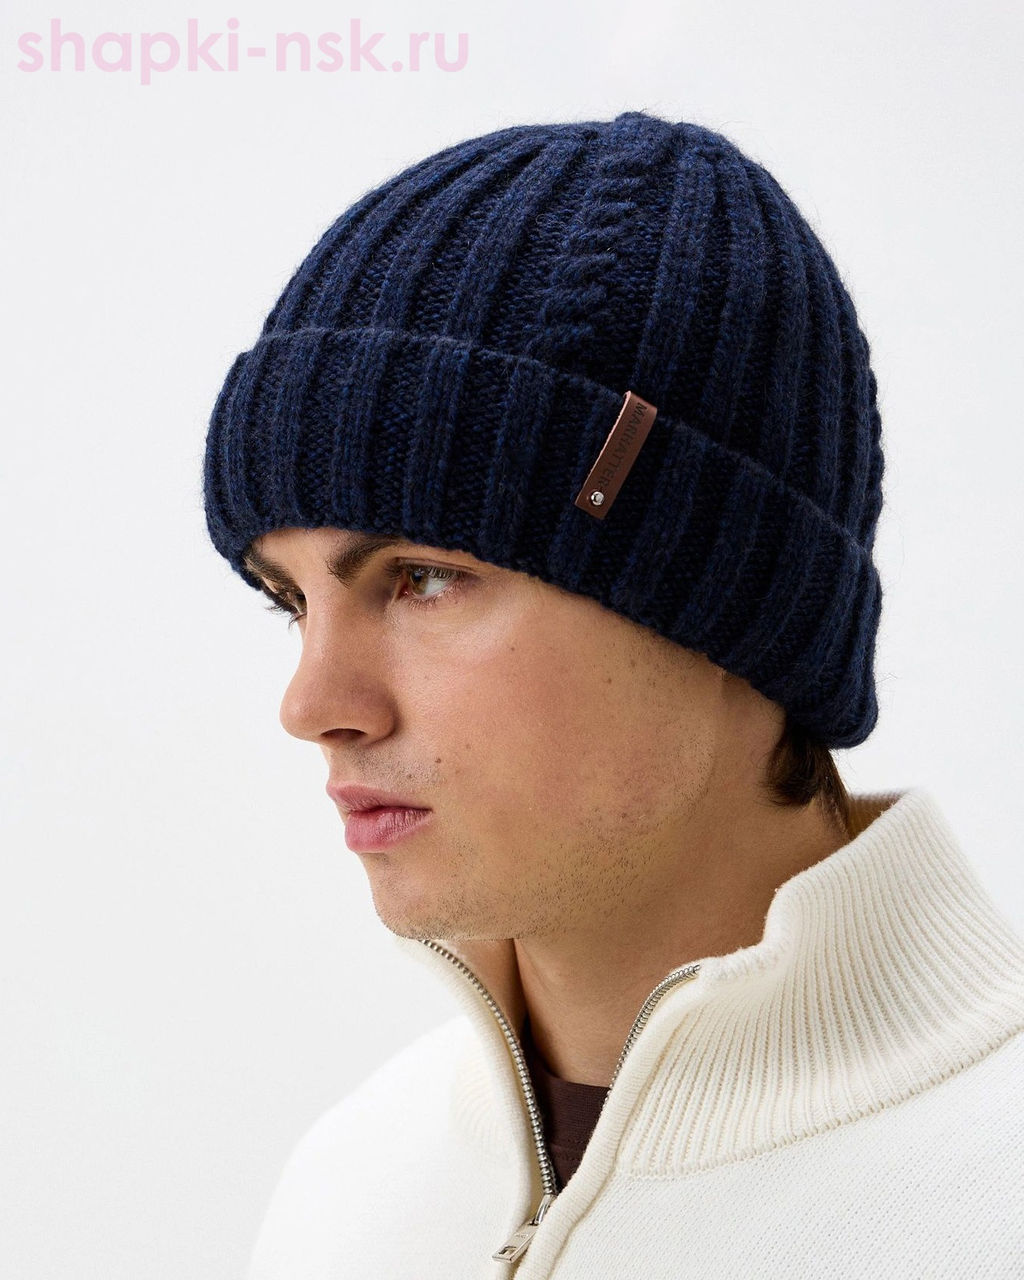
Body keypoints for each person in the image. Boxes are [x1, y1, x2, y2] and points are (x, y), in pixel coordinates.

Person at [202, 110, 1024, 1278]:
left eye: (423, 577)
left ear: (722, 594)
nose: (313, 702)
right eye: (289, 600)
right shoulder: (351, 1189)